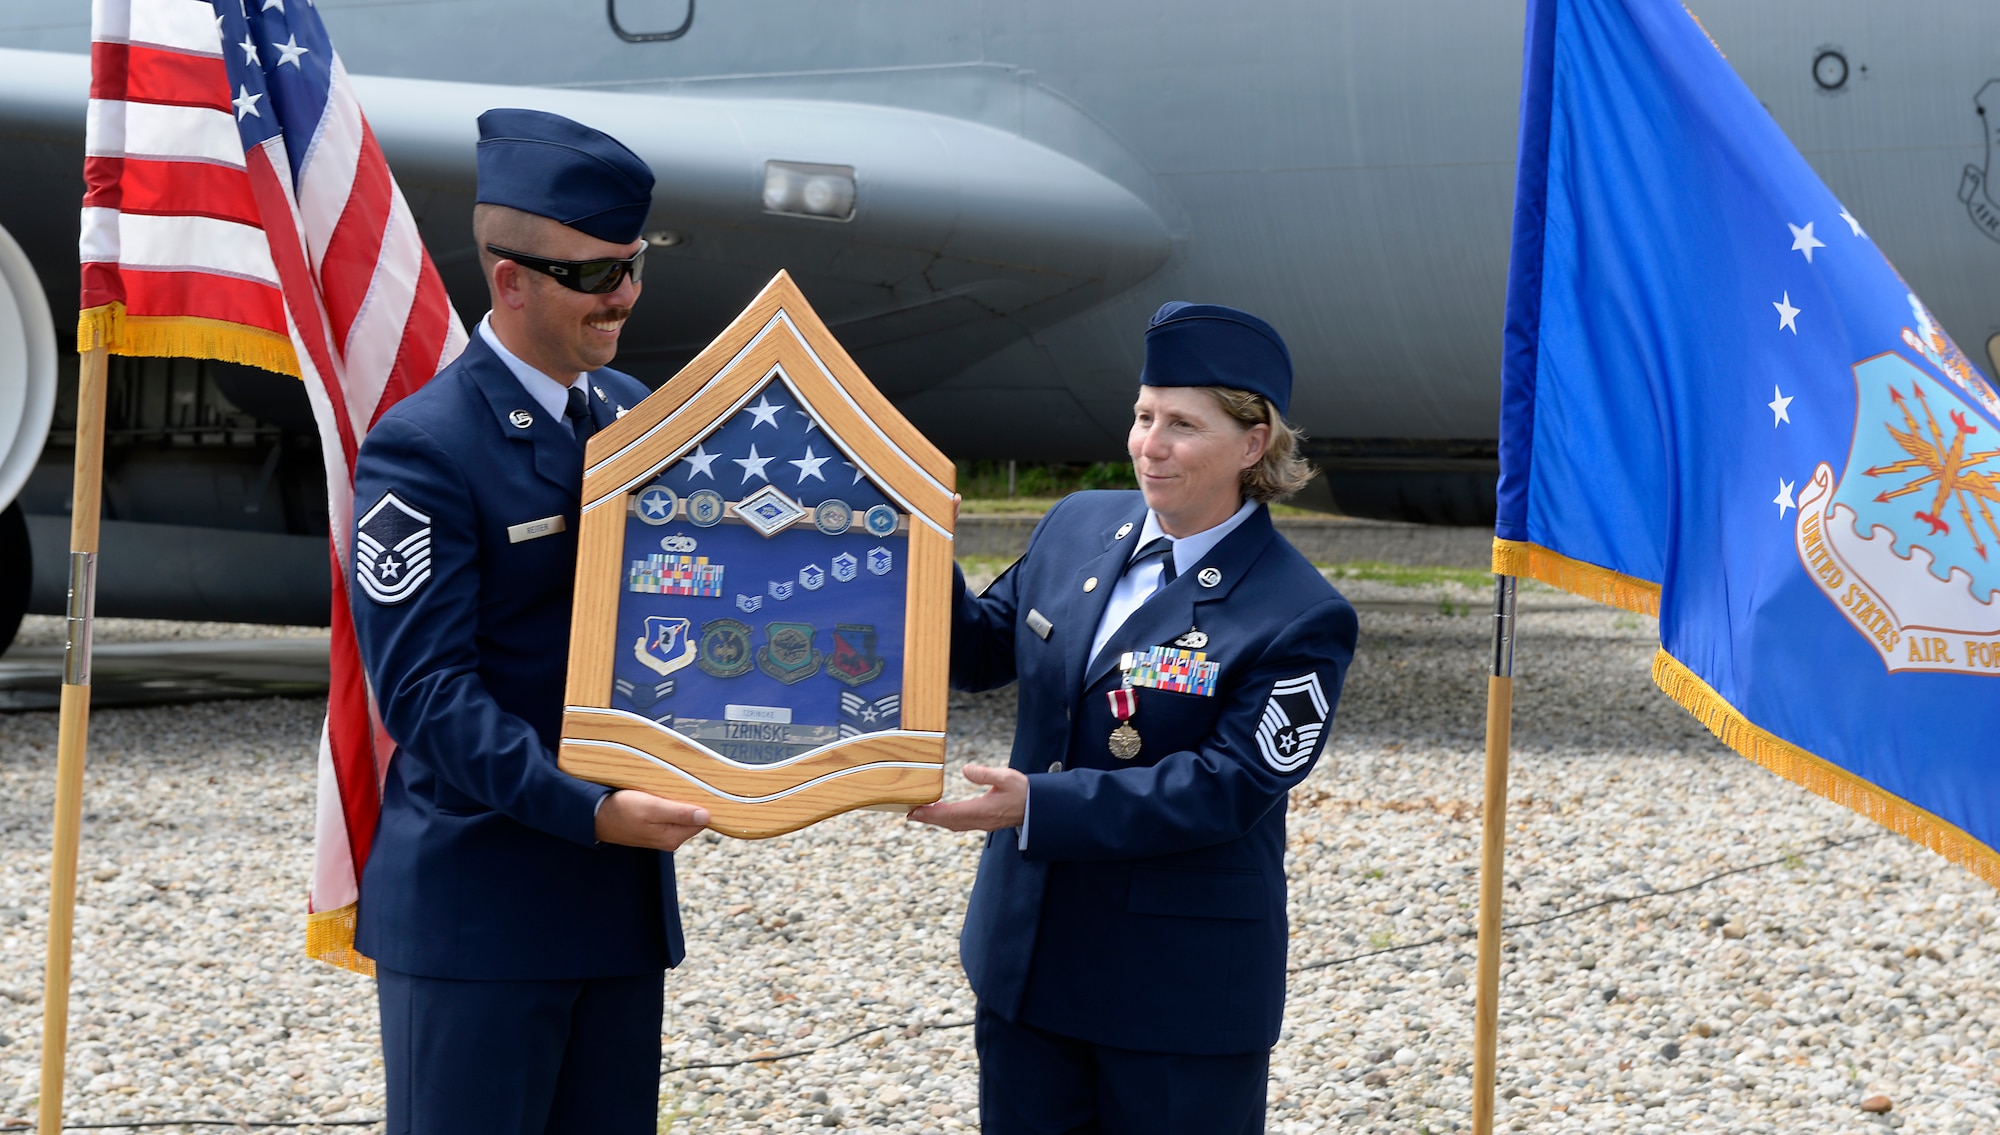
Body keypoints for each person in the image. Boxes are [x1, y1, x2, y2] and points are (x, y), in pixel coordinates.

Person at [909, 302, 1359, 1134]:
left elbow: (1228, 786)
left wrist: (1037, 804)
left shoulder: (1299, 613)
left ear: (1253, 443)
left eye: (1183, 424)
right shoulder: (1079, 523)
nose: (1150, 444)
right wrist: (912, 547)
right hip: (1029, 965)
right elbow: (976, 653)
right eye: (1143, 414)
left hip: (1174, 998)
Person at [348, 108, 710, 1135]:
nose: (625, 295)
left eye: (633, 266)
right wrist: (587, 806)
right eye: (595, 275)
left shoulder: (634, 415)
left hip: (614, 912)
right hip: (483, 917)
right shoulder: (425, 449)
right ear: (510, 280)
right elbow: (426, 697)